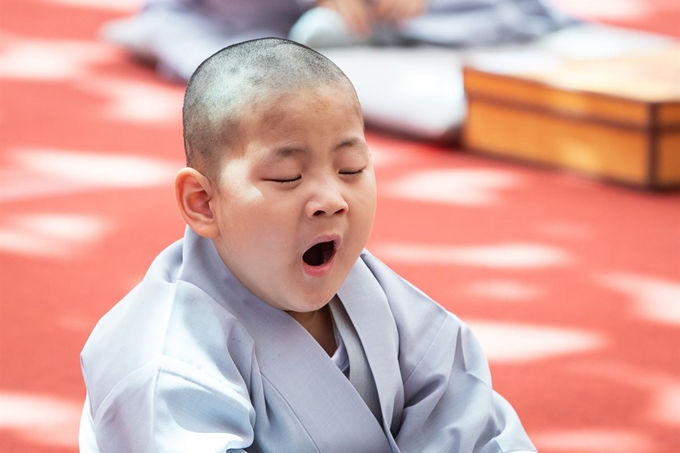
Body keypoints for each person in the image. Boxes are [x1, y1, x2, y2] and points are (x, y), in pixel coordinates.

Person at [79, 38, 536, 452]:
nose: (331, 201)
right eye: (287, 177)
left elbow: (477, 429)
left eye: (351, 168)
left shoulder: (382, 300)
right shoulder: (166, 359)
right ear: (203, 202)